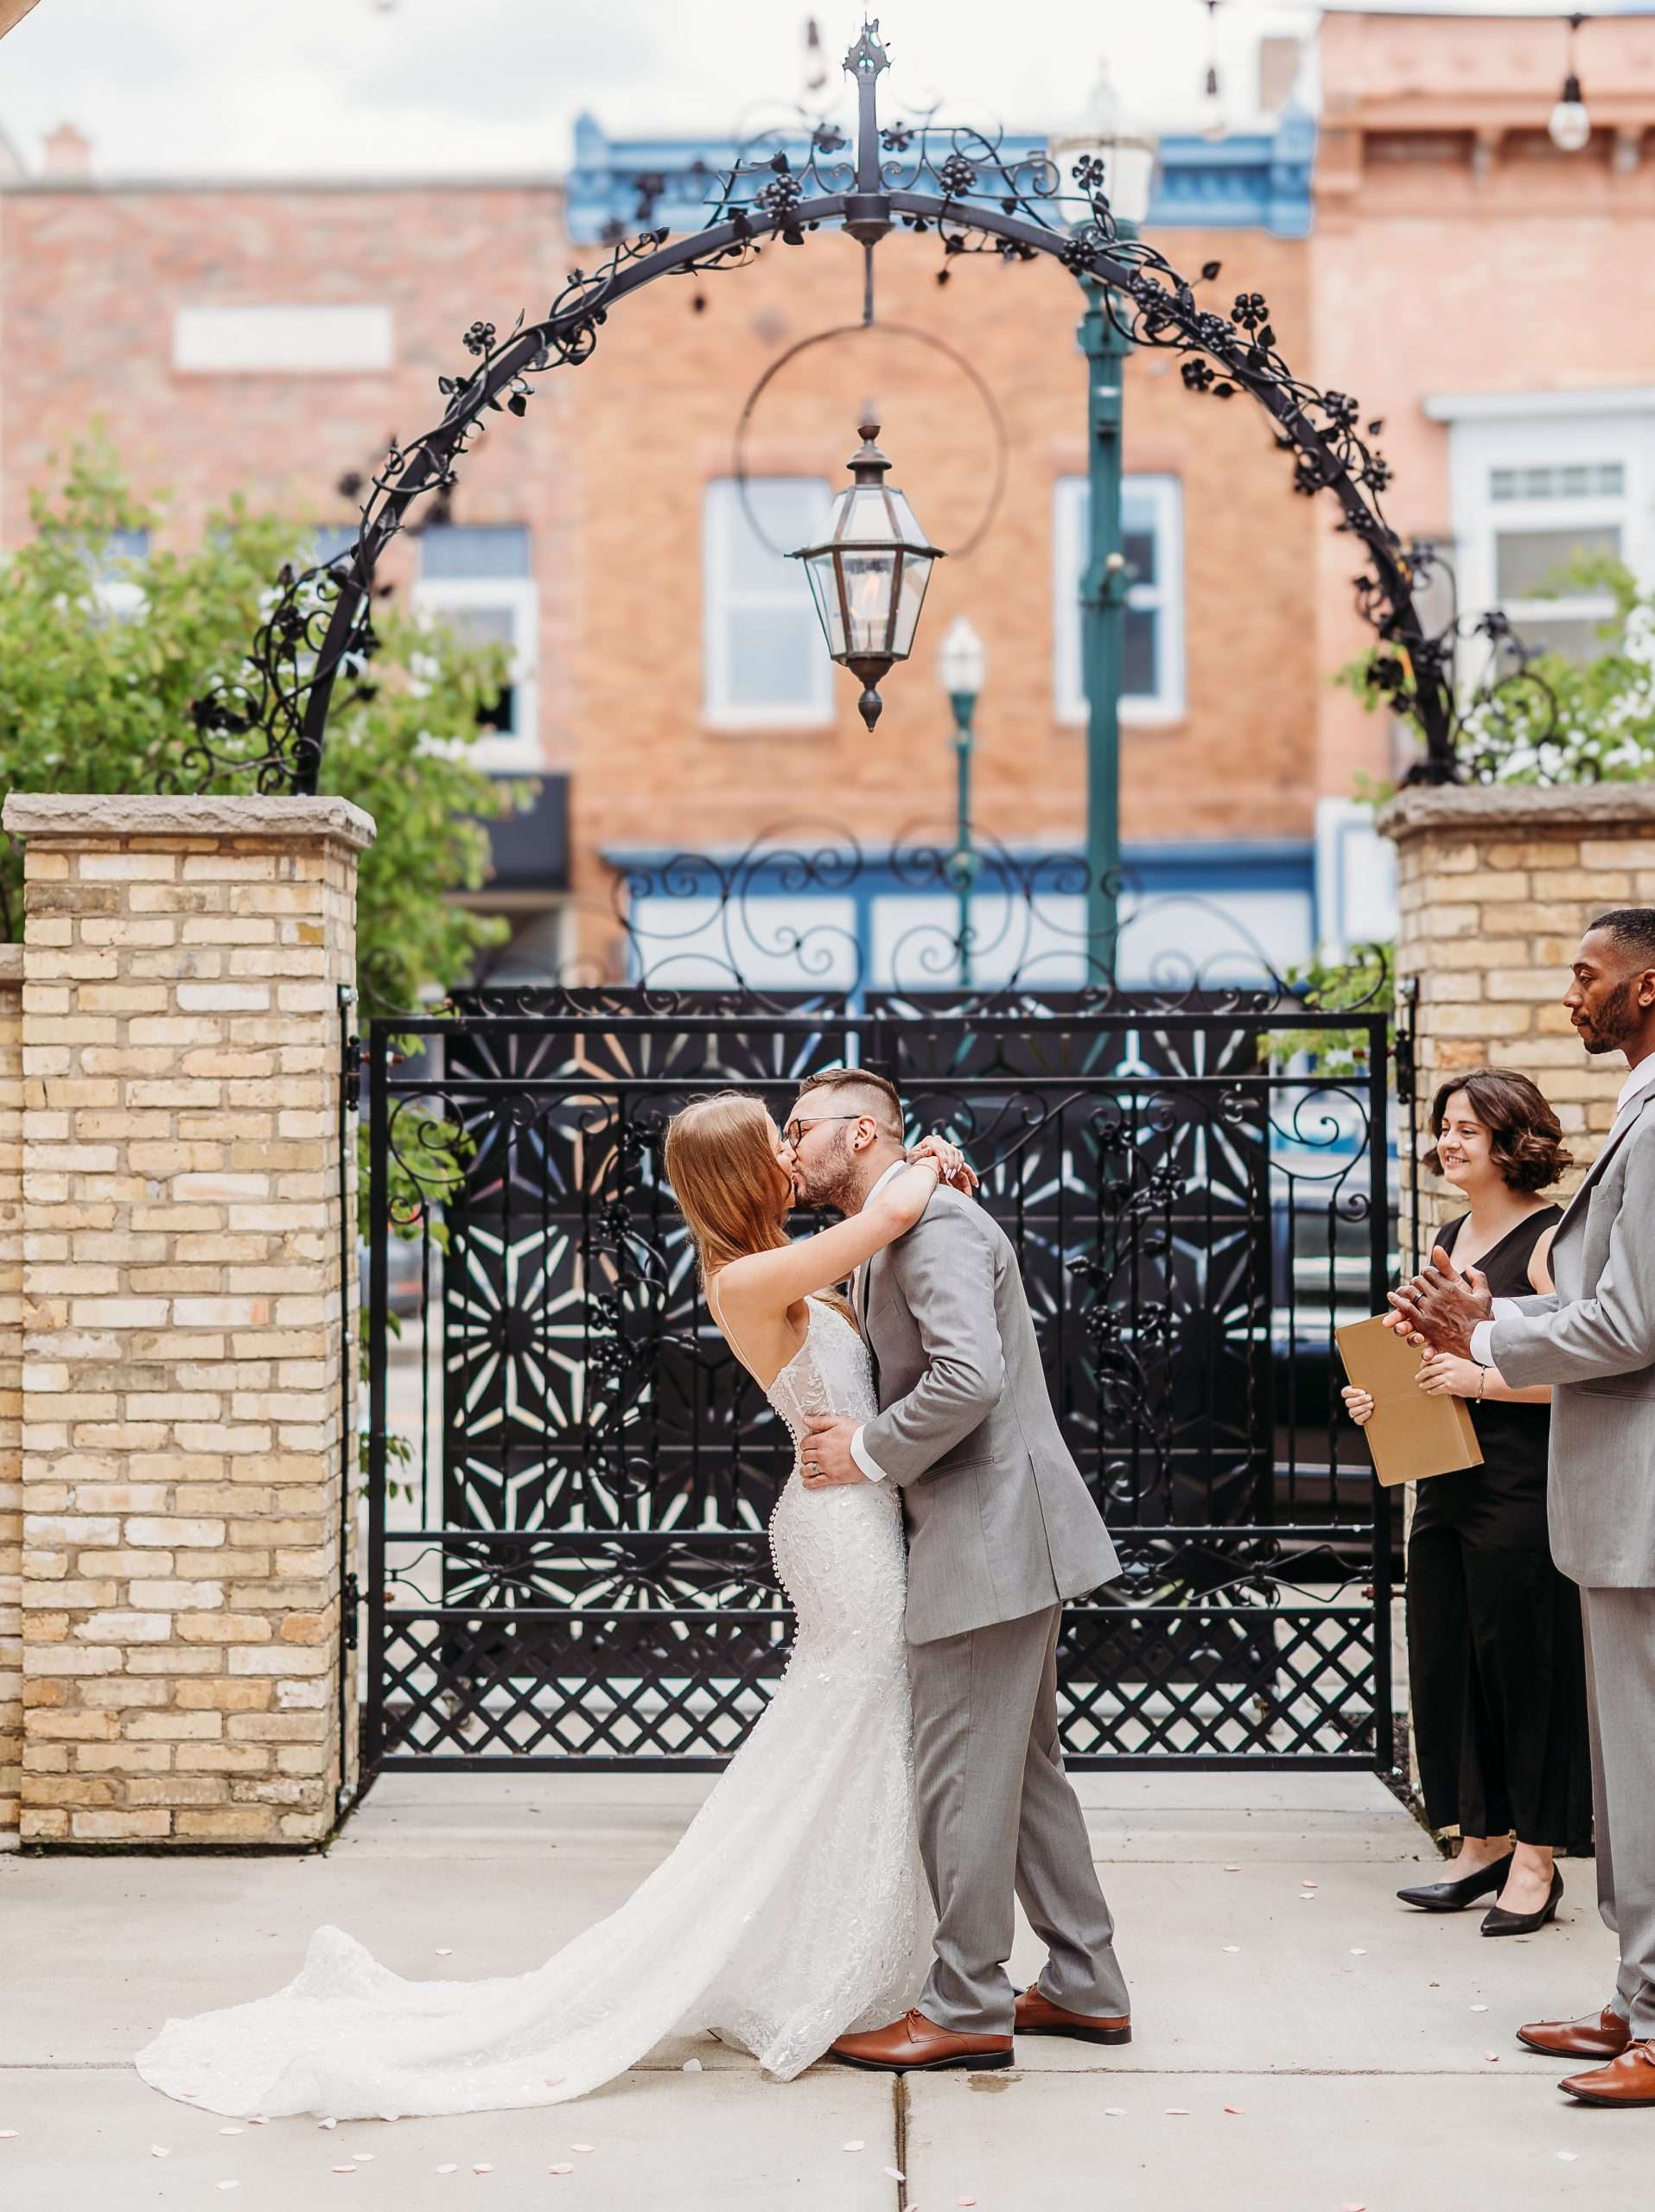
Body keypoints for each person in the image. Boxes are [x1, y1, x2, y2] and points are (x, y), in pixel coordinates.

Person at [135, 1095, 971, 2120]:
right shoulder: (747, 1278)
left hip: (849, 1508)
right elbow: (886, 1223)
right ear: (742, 1173)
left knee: (853, 1730)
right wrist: (931, 1157)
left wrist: (905, 1172)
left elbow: (873, 1250)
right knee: (855, 1716)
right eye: (774, 1138)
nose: (790, 1148)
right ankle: (816, 1966)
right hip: (840, 1533)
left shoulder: (785, 1258)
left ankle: (834, 1957)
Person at [785, 1064, 1131, 2075]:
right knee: (1020, 1777)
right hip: (998, 1529)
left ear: (861, 1134)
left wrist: (865, 1449)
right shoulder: (906, 1216)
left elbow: (968, 1376)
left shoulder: (933, 1226)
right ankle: (1083, 1982)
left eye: (800, 1128)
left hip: (984, 1532)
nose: (788, 1146)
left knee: (962, 1779)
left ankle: (970, 2005)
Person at [1388, 909, 1655, 2109]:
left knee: (1641, 1776)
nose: (1568, 994)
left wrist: (1483, 1329)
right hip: (1582, 1498)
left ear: (1645, 988)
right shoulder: (1634, 1114)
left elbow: (1626, 1327)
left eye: (1585, 975)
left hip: (1625, 1496)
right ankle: (1635, 2000)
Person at [1343, 1068, 1589, 1933]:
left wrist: (1479, 1376)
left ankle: (1537, 1858)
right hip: (1444, 1483)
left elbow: (1581, 1375)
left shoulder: (1552, 1239)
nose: (1448, 1142)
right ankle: (1479, 1842)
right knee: (1449, 1659)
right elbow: (1430, 1362)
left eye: (1467, 1130)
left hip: (1522, 1486)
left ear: (1511, 1139)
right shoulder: (1447, 1232)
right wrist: (1382, 1395)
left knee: (1527, 1667)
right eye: (1443, 1127)